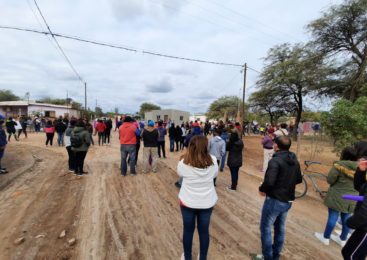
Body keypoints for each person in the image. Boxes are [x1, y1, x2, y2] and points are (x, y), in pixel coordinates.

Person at [254, 136, 302, 260]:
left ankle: (267, 257)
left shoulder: (275, 161)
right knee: (280, 227)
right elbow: (298, 179)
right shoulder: (295, 160)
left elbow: (269, 182)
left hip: (275, 200)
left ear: (276, 146)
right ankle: (275, 255)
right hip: (288, 200)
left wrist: (262, 189)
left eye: (275, 144)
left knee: (266, 227)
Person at [177, 136, 218, 260]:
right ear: (206, 147)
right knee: (204, 231)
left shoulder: (183, 162)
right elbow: (215, 175)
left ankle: (187, 257)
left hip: (187, 202)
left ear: (190, 146)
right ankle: (203, 257)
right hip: (207, 203)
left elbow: (180, 174)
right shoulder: (213, 160)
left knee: (188, 231)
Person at [314, 147, 358, 247]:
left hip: (338, 196)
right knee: (346, 218)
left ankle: (325, 237)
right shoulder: (362, 168)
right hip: (353, 198)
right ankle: (342, 239)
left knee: (333, 216)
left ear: (344, 155)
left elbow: (330, 180)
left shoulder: (339, 166)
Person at [342, 145, 367, 259]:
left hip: (364, 225)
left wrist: (351, 222)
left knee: (353, 256)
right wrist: (361, 171)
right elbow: (359, 187)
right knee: (347, 252)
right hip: (363, 225)